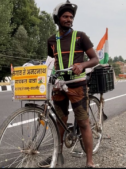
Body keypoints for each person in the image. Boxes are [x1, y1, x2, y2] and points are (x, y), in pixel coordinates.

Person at [39, 0, 99, 168]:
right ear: (57, 19)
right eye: (65, 16)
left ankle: (89, 161)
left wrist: (82, 65)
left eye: (71, 17)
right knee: (60, 122)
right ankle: (57, 156)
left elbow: (95, 59)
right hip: (59, 86)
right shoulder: (51, 40)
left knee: (83, 122)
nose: (69, 19)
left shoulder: (81, 36)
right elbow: (51, 61)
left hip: (77, 86)